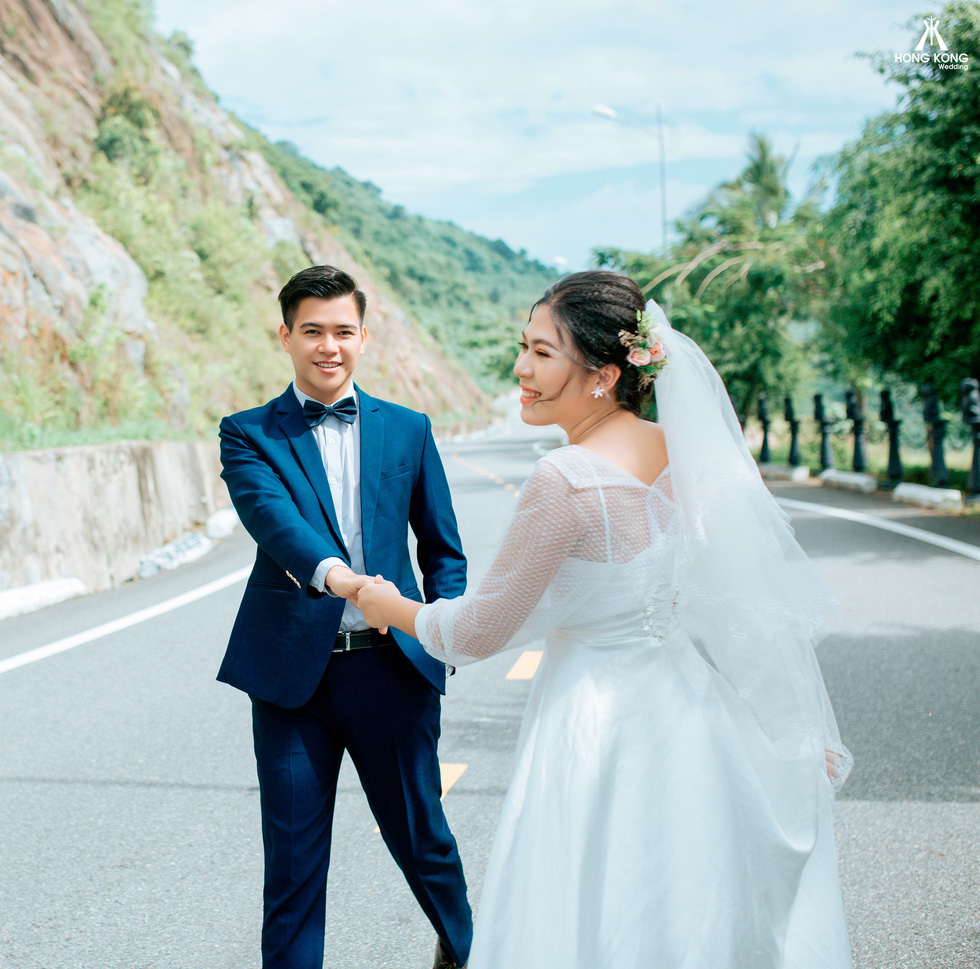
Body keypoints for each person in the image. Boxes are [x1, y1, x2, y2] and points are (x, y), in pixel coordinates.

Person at [353, 270, 854, 968]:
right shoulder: (683, 452)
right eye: (523, 346)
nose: (521, 368)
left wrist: (390, 606)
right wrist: (783, 729)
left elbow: (478, 632)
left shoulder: (565, 479)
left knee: (592, 907)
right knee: (686, 910)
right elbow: (728, 604)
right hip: (692, 715)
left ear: (603, 374)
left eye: (543, 352)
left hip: (594, 723)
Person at [216, 265, 473, 969]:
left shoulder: (409, 429)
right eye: (312, 331)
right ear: (286, 336)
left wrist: (437, 635)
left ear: (363, 336)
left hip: (392, 668)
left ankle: (465, 947)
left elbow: (443, 547)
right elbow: (276, 524)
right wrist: (342, 579)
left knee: (424, 842)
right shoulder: (247, 434)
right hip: (291, 679)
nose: (328, 346)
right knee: (293, 866)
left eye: (342, 331)